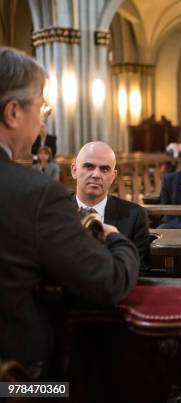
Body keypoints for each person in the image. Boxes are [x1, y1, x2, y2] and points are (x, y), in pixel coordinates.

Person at [0, 46, 138, 377]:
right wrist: (118, 241)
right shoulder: (33, 193)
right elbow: (108, 282)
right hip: (19, 383)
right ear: (13, 112)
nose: (43, 121)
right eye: (41, 107)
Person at [71, 141, 151, 274]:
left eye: (104, 169)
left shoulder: (135, 215)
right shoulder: (55, 211)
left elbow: (140, 271)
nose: (96, 175)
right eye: (89, 166)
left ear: (113, 176)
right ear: (74, 170)